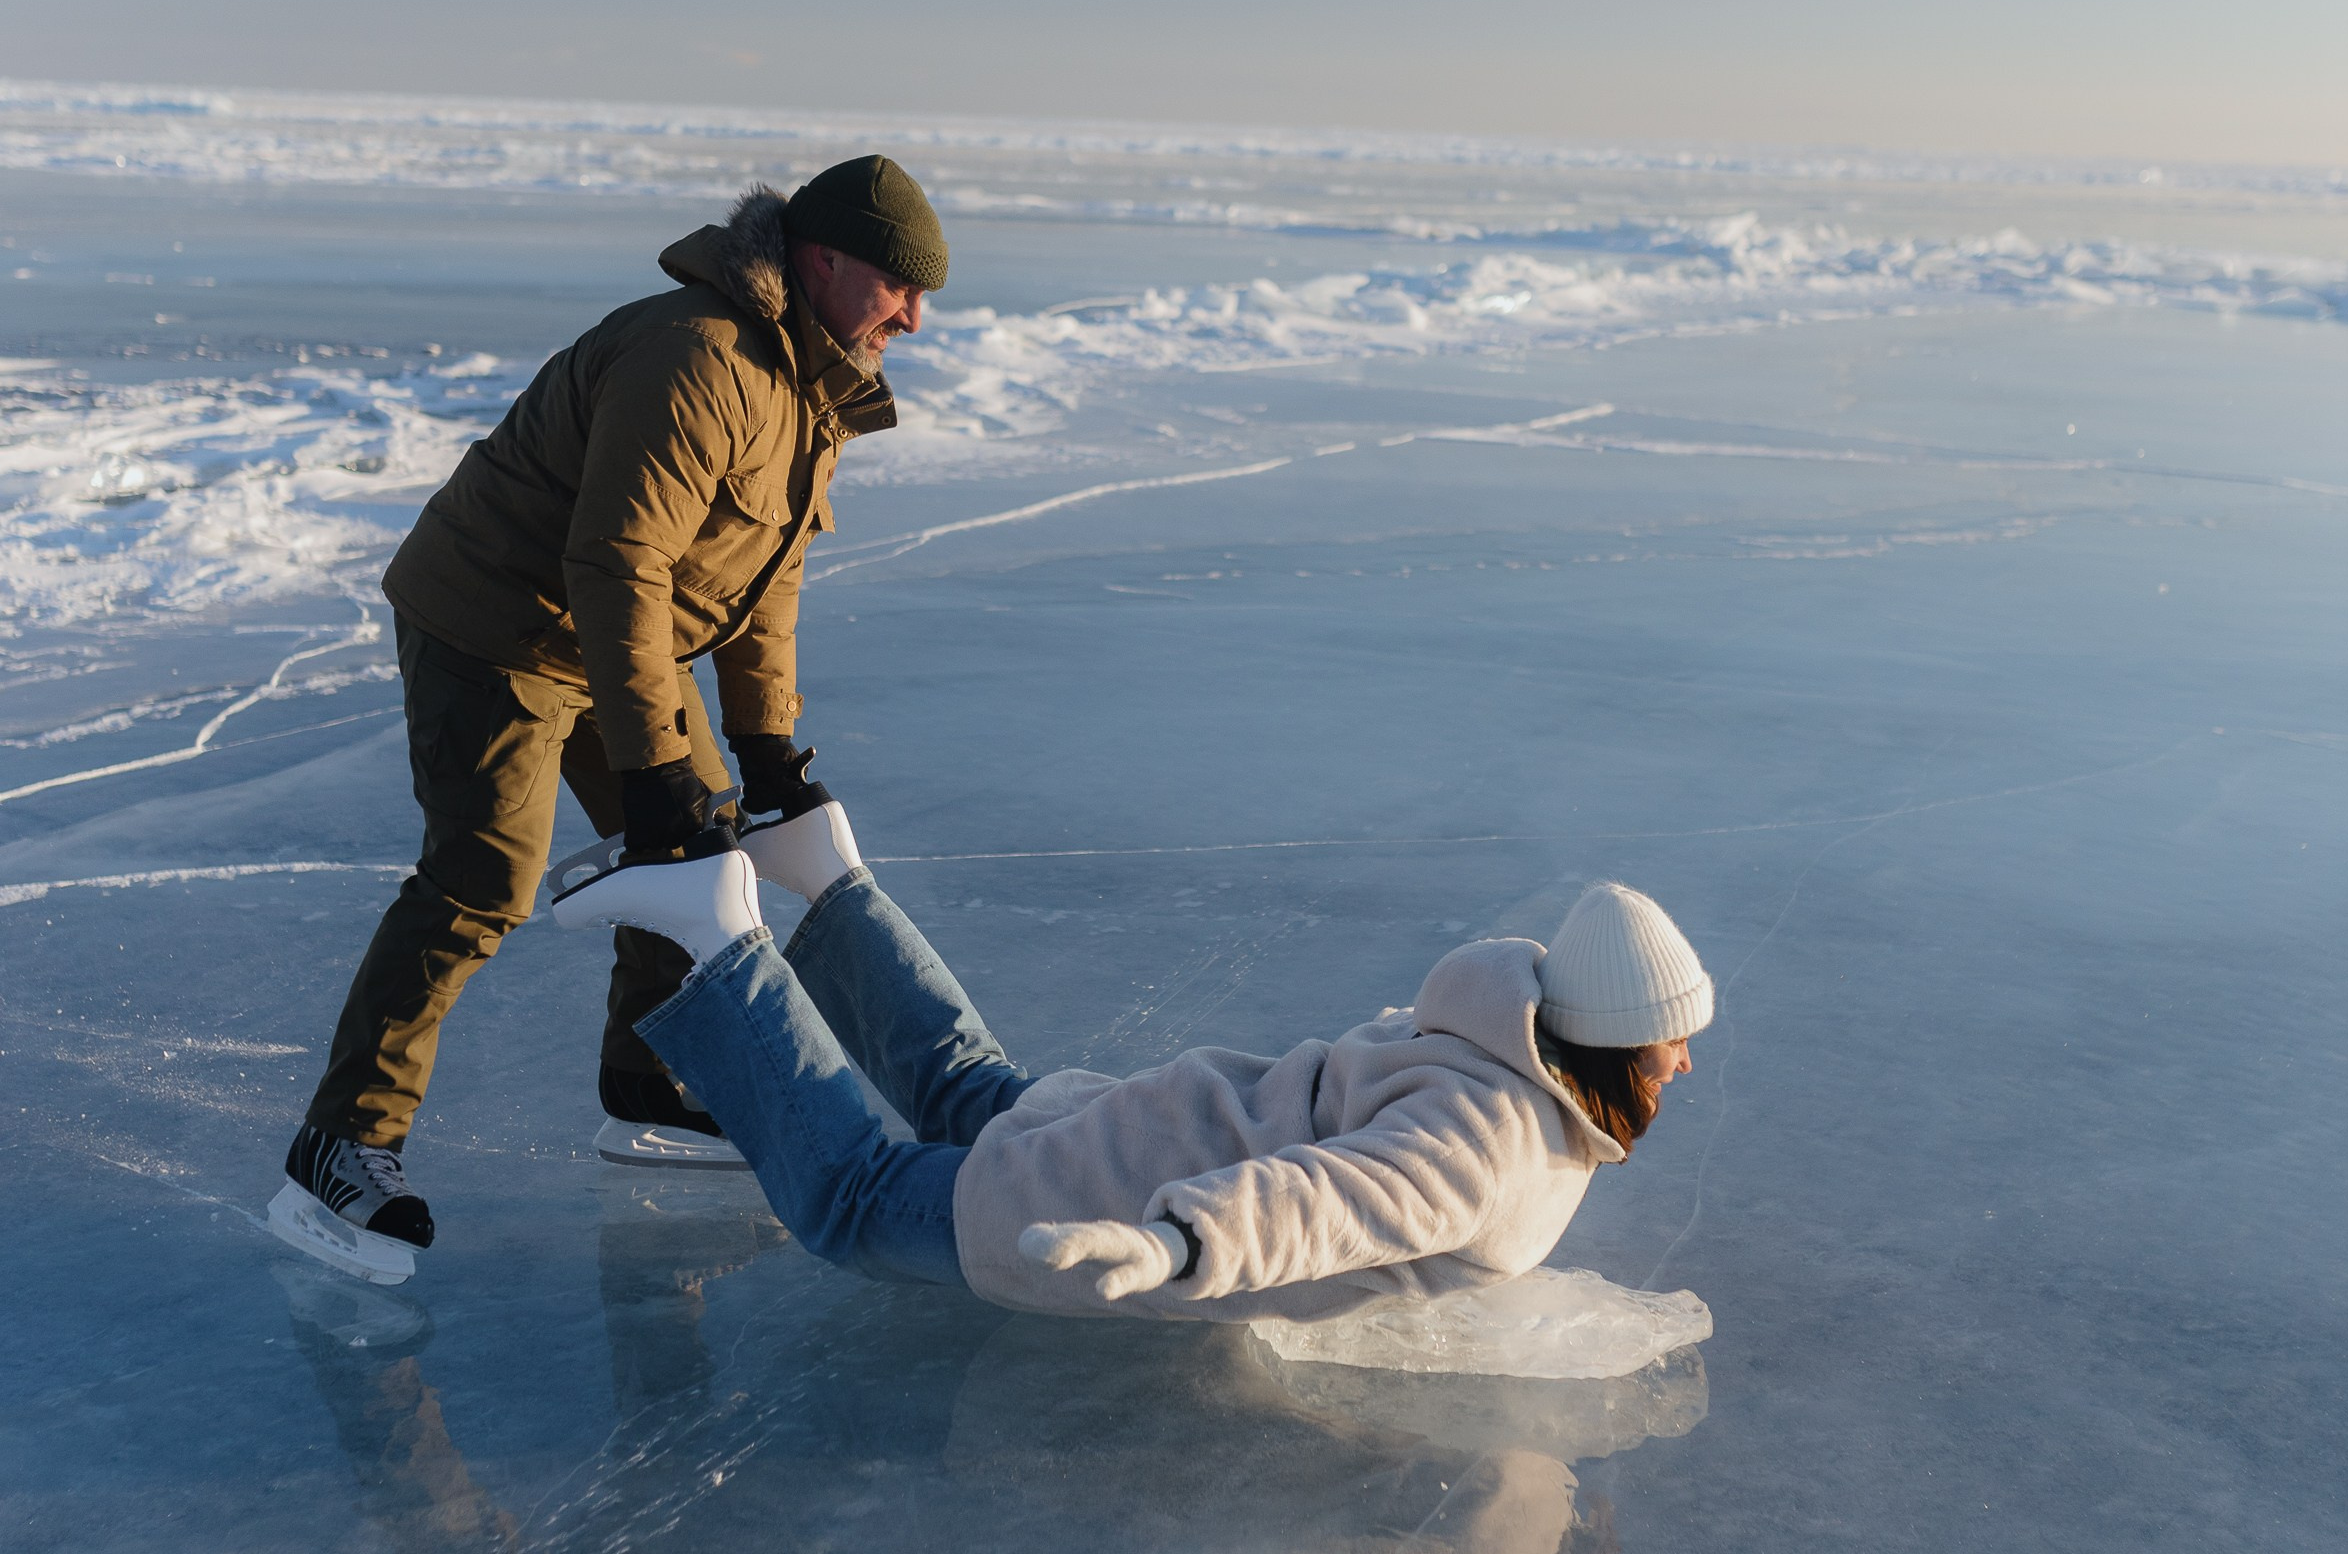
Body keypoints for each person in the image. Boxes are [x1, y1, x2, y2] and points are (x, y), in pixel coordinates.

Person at [276, 156, 947, 1265]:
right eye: (898, 289)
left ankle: (650, 1083)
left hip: (608, 640)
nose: (913, 321)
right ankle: (339, 1147)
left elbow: (762, 576)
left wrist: (765, 746)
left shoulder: (807, 387)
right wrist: (651, 767)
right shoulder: (697, 358)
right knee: (483, 879)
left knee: (701, 840)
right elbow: (618, 565)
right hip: (495, 624)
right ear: (823, 261)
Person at [550, 831, 1713, 1321]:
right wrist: (1176, 1244)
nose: (1685, 1059)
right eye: (1670, 1041)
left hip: (1150, 1116)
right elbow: (1328, 1201)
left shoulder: (1486, 1036)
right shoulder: (1493, 1150)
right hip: (1119, 1198)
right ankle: (718, 940)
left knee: (973, 1091)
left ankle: (826, 869)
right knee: (853, 1200)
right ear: (1606, 1044)